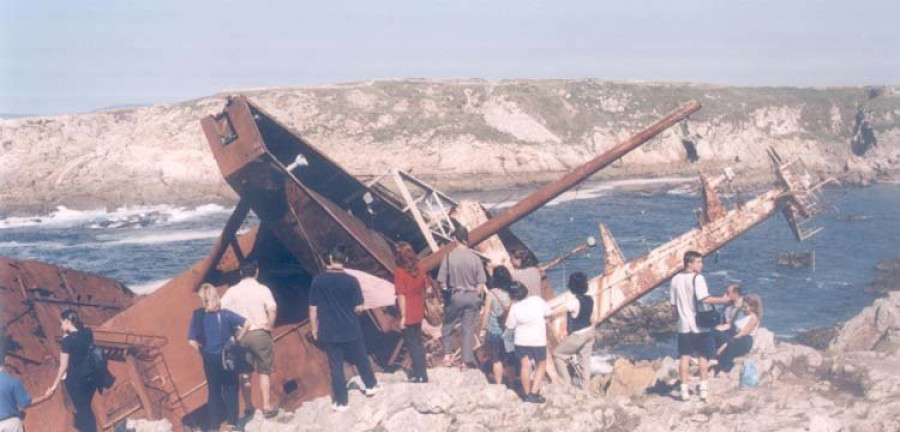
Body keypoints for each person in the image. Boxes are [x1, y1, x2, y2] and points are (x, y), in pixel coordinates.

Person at [309, 246, 380, 411]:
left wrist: (314, 329)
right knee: (361, 358)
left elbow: (313, 307)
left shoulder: (318, 280)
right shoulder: (352, 280)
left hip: (329, 331)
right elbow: (358, 308)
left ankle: (341, 402)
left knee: (336, 366)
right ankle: (370, 386)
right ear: (346, 261)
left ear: (331, 259)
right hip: (351, 328)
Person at [669, 251, 731, 402]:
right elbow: (705, 298)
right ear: (689, 263)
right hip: (699, 325)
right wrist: (723, 300)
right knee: (702, 356)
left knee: (684, 357)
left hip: (683, 324)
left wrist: (677, 320)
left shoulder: (675, 279)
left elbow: (673, 305)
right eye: (698, 262)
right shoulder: (698, 278)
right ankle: (703, 390)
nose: (701, 265)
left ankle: (683, 391)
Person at [221, 260, 279, 419]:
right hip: (259, 332)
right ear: (256, 271)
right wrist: (269, 327)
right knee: (264, 371)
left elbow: (221, 310)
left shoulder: (231, 292)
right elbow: (272, 309)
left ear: (240, 273)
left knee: (244, 372)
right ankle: (266, 406)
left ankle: (248, 407)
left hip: (241, 336)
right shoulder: (262, 289)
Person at [188, 283, 247, 431]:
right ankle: (232, 423)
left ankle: (214, 426)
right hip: (227, 356)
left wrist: (201, 352)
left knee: (213, 391)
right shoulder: (226, 314)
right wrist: (237, 338)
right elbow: (247, 323)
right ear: (216, 297)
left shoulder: (198, 315)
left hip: (209, 358)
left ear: (203, 299)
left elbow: (191, 340)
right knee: (231, 388)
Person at [39, 309, 98, 431]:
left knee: (82, 411)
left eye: (61, 323)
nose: (61, 327)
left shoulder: (67, 341)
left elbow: (63, 365)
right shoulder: (88, 333)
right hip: (90, 376)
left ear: (67, 321)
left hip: (76, 380)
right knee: (87, 407)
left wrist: (54, 385)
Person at [437, 226, 487, 368]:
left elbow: (441, 282)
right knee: (468, 329)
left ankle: (447, 355)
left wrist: (447, 293)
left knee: (448, 325)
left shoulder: (448, 257)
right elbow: (481, 283)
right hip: (472, 296)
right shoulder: (475, 258)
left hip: (456, 295)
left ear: (455, 239)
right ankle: (465, 361)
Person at [505, 282, 551, 403]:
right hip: (538, 340)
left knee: (525, 366)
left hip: (521, 341)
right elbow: (548, 313)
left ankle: (526, 395)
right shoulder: (537, 300)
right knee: (541, 365)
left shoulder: (514, 307)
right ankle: (534, 393)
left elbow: (510, 326)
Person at [393, 241, 430, 383]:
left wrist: (402, 316)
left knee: (412, 344)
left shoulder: (399, 272)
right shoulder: (420, 269)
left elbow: (401, 295)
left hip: (407, 310)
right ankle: (423, 374)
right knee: (419, 342)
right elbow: (426, 288)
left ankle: (418, 375)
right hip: (418, 308)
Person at [552, 272, 595, 388]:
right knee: (585, 360)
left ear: (571, 286)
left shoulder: (573, 301)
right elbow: (592, 317)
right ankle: (586, 387)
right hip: (590, 331)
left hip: (578, 334)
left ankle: (566, 382)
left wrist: (547, 314)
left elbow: (559, 311)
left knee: (558, 354)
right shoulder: (590, 299)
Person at [480, 266, 513, 385]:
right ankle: (512, 383)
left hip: (494, 331)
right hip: (509, 330)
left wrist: (483, 329)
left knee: (496, 359)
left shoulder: (491, 294)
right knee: (509, 359)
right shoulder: (512, 292)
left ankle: (499, 384)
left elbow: (486, 313)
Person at [716, 294, 762, 373]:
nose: (743, 308)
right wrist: (718, 329)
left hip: (744, 340)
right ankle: (709, 358)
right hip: (733, 334)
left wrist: (724, 345)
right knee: (715, 335)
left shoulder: (753, 318)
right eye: (743, 306)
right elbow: (730, 325)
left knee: (730, 343)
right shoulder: (740, 312)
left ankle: (724, 368)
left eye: (745, 307)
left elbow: (742, 333)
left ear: (752, 307)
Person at [0, 347, 31, 432]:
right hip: (12, 424)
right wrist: (46, 396)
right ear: (5, 360)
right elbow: (25, 404)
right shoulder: (13, 381)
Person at [713, 284, 743, 353]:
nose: (725, 295)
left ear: (735, 294)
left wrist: (717, 329)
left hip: (734, 332)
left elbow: (733, 325)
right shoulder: (728, 304)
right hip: (726, 329)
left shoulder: (742, 306)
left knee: (712, 334)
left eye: (727, 293)